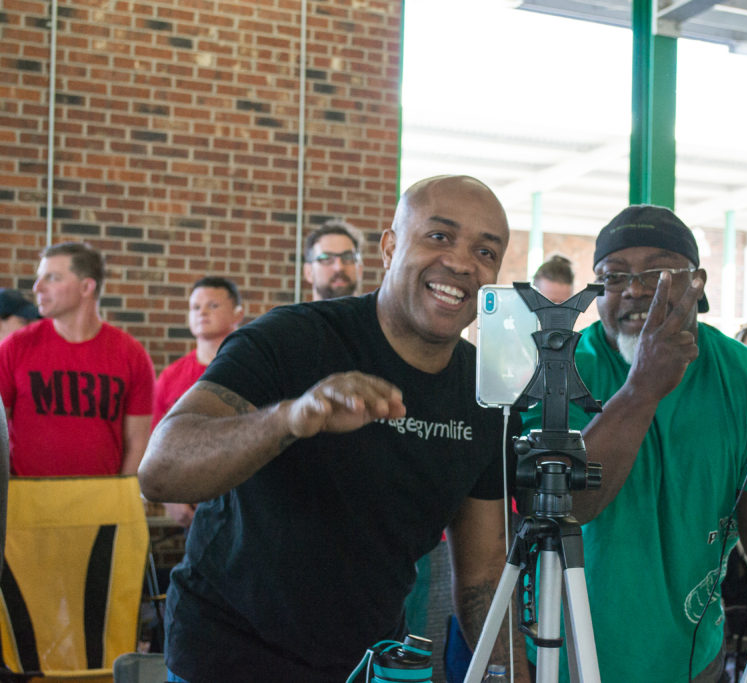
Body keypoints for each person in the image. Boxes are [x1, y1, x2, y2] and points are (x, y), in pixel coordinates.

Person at [139, 175, 527, 682]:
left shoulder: (485, 393)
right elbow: (161, 471)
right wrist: (291, 417)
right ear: (389, 248)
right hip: (226, 657)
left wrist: (516, 676)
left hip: (363, 665)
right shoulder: (292, 338)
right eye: (439, 236)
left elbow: (481, 574)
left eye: (485, 251)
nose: (460, 262)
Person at [520, 204, 747, 681]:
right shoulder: (558, 371)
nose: (635, 290)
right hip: (559, 660)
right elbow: (569, 503)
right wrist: (642, 388)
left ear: (696, 283)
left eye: (657, 271)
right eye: (614, 277)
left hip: (689, 662)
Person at [0, 242, 154, 476]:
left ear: (86, 287)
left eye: (52, 278)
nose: (37, 287)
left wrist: (121, 496)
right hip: (28, 501)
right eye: (39, 277)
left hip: (103, 501)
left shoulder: (131, 353)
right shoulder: (14, 348)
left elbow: (138, 441)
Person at [152, 276, 243, 528]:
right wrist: (169, 497)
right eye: (195, 307)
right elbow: (156, 444)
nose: (202, 312)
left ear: (238, 313)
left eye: (212, 305)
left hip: (248, 499)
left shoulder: (252, 368)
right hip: (192, 502)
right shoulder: (171, 376)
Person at [302, 218, 364, 301]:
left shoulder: (380, 314)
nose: (339, 267)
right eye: (326, 258)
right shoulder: (287, 314)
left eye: (348, 257)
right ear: (308, 272)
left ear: (360, 269)